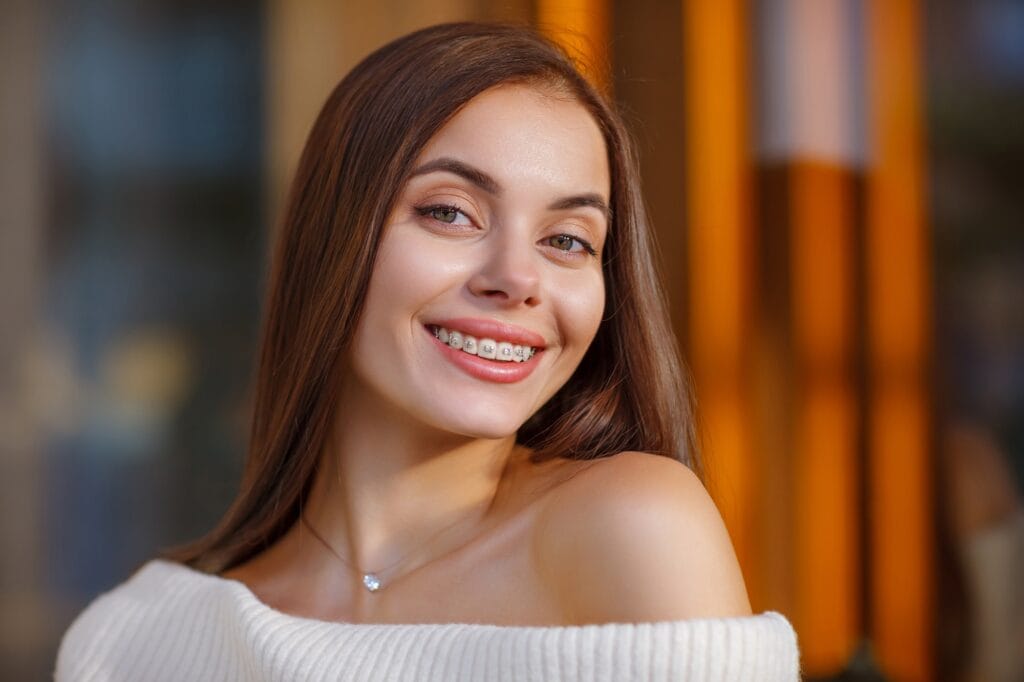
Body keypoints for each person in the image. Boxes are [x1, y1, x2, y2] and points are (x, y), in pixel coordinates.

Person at [55, 22, 800, 681]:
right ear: (331, 239)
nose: (517, 279)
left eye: (567, 240)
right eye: (450, 213)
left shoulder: (633, 526)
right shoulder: (131, 643)